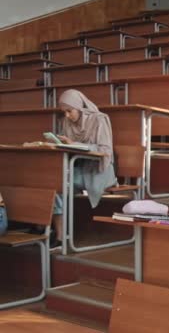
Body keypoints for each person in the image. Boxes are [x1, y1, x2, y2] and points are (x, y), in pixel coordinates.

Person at [49, 89, 117, 244]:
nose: (66, 115)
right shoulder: (67, 122)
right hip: (77, 167)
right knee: (52, 181)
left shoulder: (99, 119)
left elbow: (105, 151)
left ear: (79, 107)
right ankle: (55, 232)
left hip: (98, 171)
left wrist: (75, 144)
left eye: (69, 111)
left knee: (59, 184)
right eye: (63, 112)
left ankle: (59, 236)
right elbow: (70, 148)